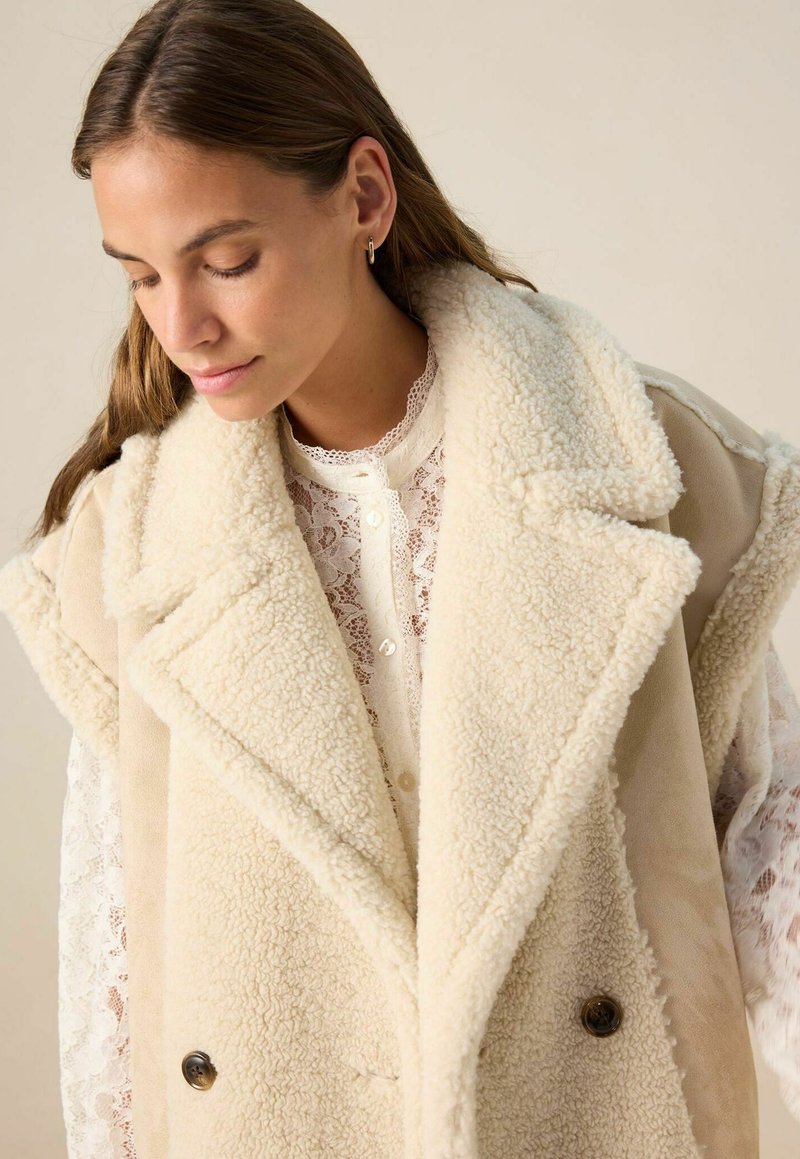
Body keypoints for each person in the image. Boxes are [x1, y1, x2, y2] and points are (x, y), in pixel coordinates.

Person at [0, 0, 798, 1156]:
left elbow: (771, 852)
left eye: (226, 261)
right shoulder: (129, 555)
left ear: (364, 197)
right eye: (139, 278)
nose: (184, 325)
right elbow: (115, 986)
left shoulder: (640, 465)